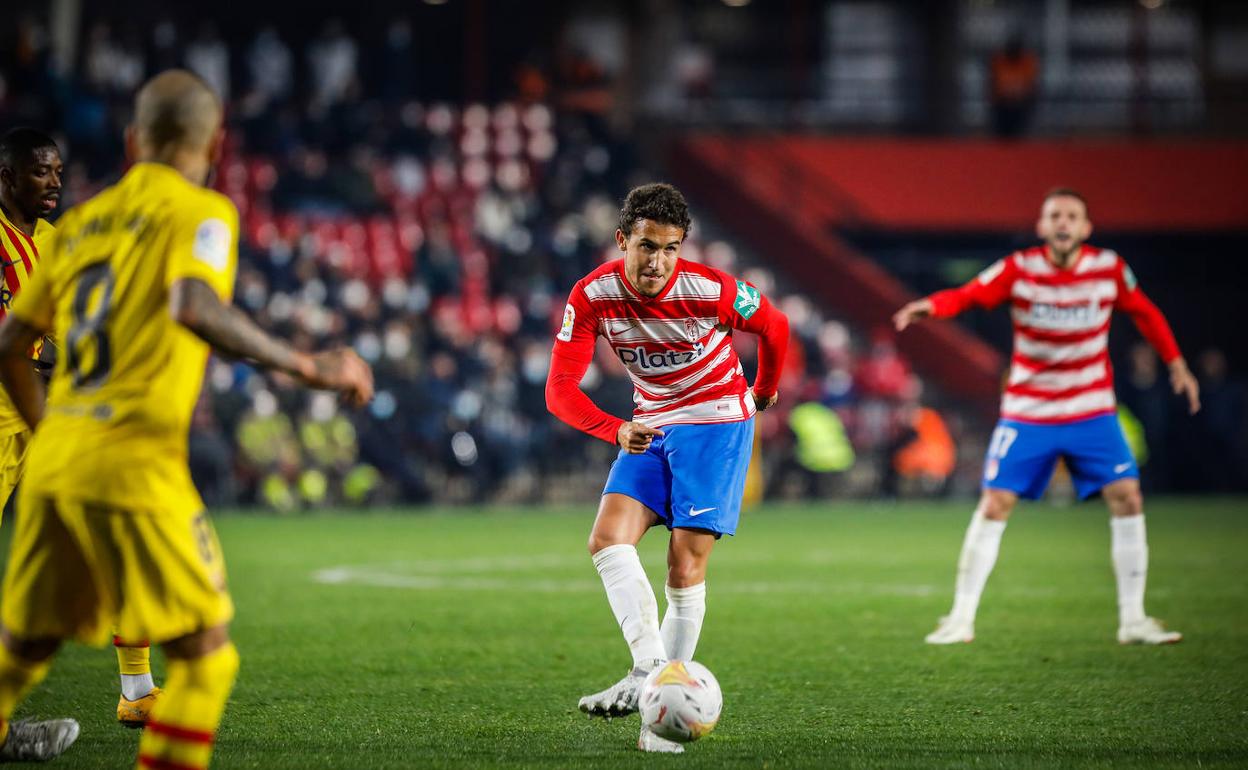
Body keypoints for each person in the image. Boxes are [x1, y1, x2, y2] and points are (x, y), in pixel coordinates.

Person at [0, 70, 373, 765]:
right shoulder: (201, 212)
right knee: (205, 658)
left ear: (132, 141)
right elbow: (194, 305)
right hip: (132, 456)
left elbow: (9, 347)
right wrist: (308, 366)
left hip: (56, 454)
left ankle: (123, 690)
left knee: (24, 648)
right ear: (216, 144)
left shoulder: (76, 228)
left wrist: (52, 435)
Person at [893, 188, 1200, 646]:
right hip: (1029, 411)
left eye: (1072, 216)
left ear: (1085, 228)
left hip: (1091, 409)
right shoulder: (1019, 269)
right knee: (995, 503)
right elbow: (970, 294)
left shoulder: (1108, 268)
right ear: (1042, 226)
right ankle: (960, 619)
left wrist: (1176, 364)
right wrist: (931, 306)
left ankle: (1133, 620)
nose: (1063, 223)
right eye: (1055, 215)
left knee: (1128, 498)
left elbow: (1146, 312)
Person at [545, 183, 789, 753]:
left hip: (715, 421)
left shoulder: (712, 289)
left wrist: (763, 391)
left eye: (670, 248)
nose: (657, 261)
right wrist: (614, 428)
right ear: (622, 240)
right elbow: (559, 389)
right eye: (647, 246)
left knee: (684, 563)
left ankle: (661, 730)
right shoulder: (592, 296)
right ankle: (649, 672)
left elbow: (774, 326)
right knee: (607, 540)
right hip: (650, 422)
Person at [1, 126, 169, 728]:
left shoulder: (55, 240)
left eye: (57, 170)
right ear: (7, 177)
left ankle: (138, 690)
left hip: (53, 417)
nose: (54, 181)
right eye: (40, 171)